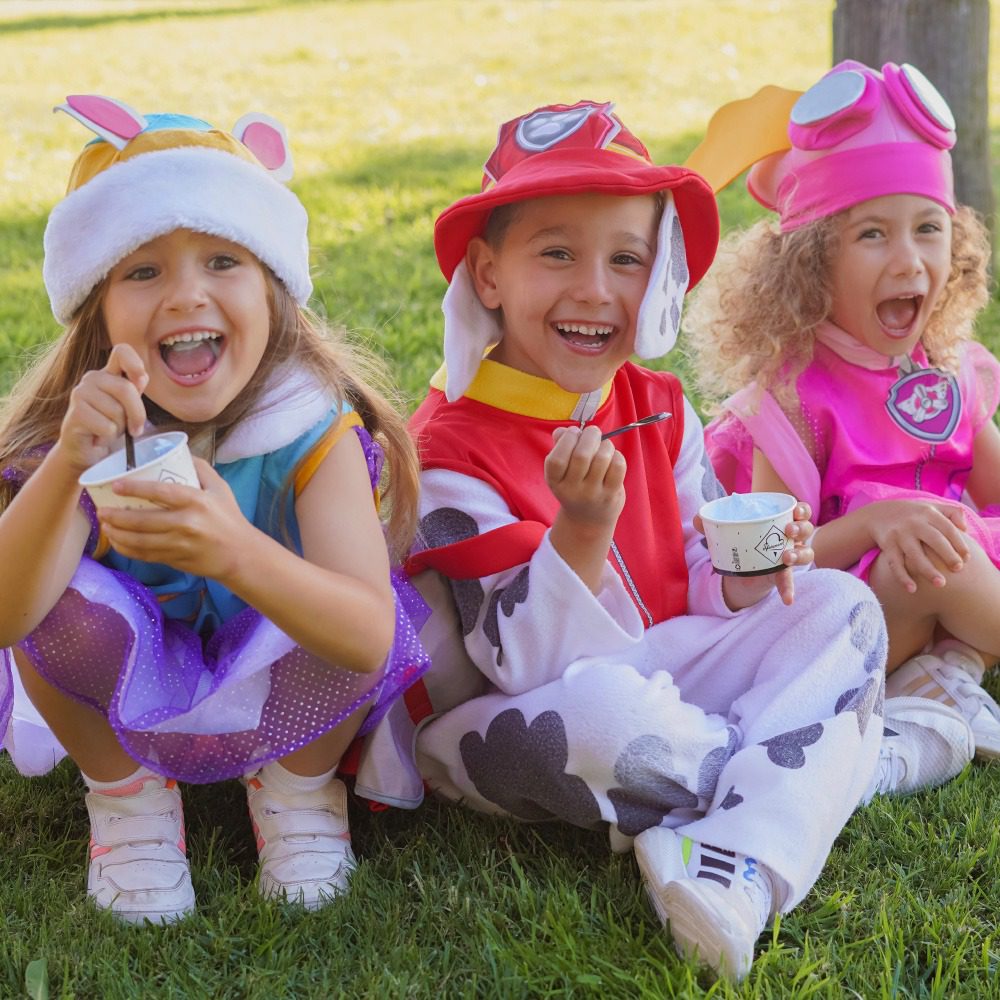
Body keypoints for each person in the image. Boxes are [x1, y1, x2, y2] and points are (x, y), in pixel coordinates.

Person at [360, 99, 907, 982]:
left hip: (666, 663)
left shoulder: (658, 404)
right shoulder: (447, 453)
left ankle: (729, 853)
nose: (595, 290)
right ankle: (815, 767)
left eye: (626, 259)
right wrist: (579, 531)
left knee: (842, 603)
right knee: (611, 720)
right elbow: (519, 665)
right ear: (488, 274)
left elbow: (697, 569)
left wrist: (747, 574)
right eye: (557, 254)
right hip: (522, 716)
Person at [0, 95, 430, 923]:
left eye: (223, 260)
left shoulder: (311, 429)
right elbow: (9, 615)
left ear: (273, 291)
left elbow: (367, 638)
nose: (186, 295)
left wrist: (236, 551)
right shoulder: (89, 433)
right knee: (55, 599)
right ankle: (126, 800)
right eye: (143, 270)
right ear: (98, 311)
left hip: (286, 682)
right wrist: (67, 466)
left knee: (345, 601)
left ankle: (298, 790)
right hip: (130, 681)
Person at [686, 60, 1000, 762]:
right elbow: (769, 560)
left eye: (928, 228)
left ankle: (945, 674)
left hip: (941, 588)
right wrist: (872, 524)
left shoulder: (950, 365)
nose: (909, 260)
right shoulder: (794, 397)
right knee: (935, 562)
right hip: (854, 614)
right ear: (809, 262)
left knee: (947, 552)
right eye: (872, 234)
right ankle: (944, 663)